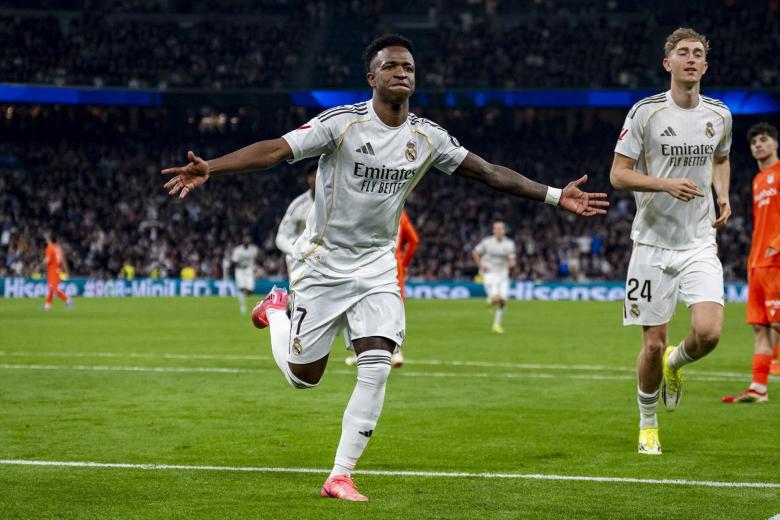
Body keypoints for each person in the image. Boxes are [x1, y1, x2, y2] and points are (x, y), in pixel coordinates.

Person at [162, 34, 608, 501]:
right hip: (324, 262)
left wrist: (556, 195)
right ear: (371, 77)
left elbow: (488, 171)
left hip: (377, 264)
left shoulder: (427, 137)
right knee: (301, 378)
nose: (402, 73)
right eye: (391, 66)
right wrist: (211, 167)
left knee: (376, 365)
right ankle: (276, 308)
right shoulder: (341, 125)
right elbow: (275, 150)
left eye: (409, 67)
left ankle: (339, 474)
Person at [610, 27, 732, 455]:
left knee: (710, 332)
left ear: (705, 64)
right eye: (683, 53)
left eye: (699, 53)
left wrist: (723, 194)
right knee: (652, 342)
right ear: (668, 63)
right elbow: (618, 174)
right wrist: (664, 184)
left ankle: (675, 364)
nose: (691, 59)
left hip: (699, 239)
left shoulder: (719, 114)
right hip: (652, 244)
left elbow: (721, 156)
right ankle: (647, 423)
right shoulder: (645, 113)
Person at [722, 123, 780, 403]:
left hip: (775, 262)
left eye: (764, 139)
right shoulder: (758, 180)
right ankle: (759, 388)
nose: (758, 144)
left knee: (777, 323)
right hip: (757, 263)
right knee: (762, 326)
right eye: (754, 141)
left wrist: (776, 245)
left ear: (775, 144)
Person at [345, 208, 419, 367]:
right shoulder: (402, 214)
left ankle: (361, 353)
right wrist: (404, 263)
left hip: (373, 263)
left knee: (365, 307)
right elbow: (414, 241)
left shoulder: (374, 209)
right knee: (394, 308)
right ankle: (398, 353)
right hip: (395, 265)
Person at [472, 221, 516, 333]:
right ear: (493, 230)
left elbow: (512, 260)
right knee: (497, 298)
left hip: (503, 274)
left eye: (501, 229)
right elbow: (475, 252)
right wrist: (480, 265)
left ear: (504, 230)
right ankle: (491, 300)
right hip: (490, 273)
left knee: (503, 301)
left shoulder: (509, 244)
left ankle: (496, 325)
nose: (499, 231)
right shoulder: (487, 242)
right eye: (497, 229)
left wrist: (512, 264)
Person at [276, 162, 316, 275]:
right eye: (316, 175)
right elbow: (281, 237)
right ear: (310, 179)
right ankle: (280, 293)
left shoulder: (334, 203)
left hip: (323, 259)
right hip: (299, 259)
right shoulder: (298, 205)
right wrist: (295, 253)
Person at [42, 233, 72, 311]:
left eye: (47, 239)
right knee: (51, 289)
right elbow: (63, 261)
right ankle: (47, 305)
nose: (46, 240)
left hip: (52, 271)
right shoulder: (58, 248)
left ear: (50, 240)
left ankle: (68, 299)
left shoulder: (50, 247)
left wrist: (38, 266)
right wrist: (66, 271)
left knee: (54, 288)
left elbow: (47, 260)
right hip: (58, 270)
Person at [231, 235, 259, 314]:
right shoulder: (238, 250)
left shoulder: (253, 249)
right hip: (240, 270)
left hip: (249, 270)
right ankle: (242, 305)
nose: (247, 241)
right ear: (243, 241)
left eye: (248, 239)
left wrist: (255, 267)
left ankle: (242, 298)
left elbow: (255, 258)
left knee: (250, 289)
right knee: (242, 288)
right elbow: (234, 261)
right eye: (245, 239)